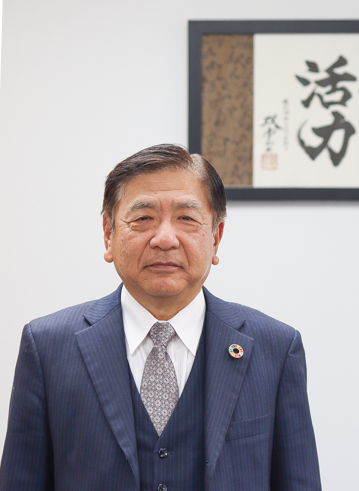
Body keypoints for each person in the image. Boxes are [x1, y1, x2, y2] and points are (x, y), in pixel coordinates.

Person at [0, 144, 322, 490]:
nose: (165, 239)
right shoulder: (47, 346)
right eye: (143, 218)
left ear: (216, 237)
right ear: (108, 234)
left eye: (186, 218)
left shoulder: (275, 348)